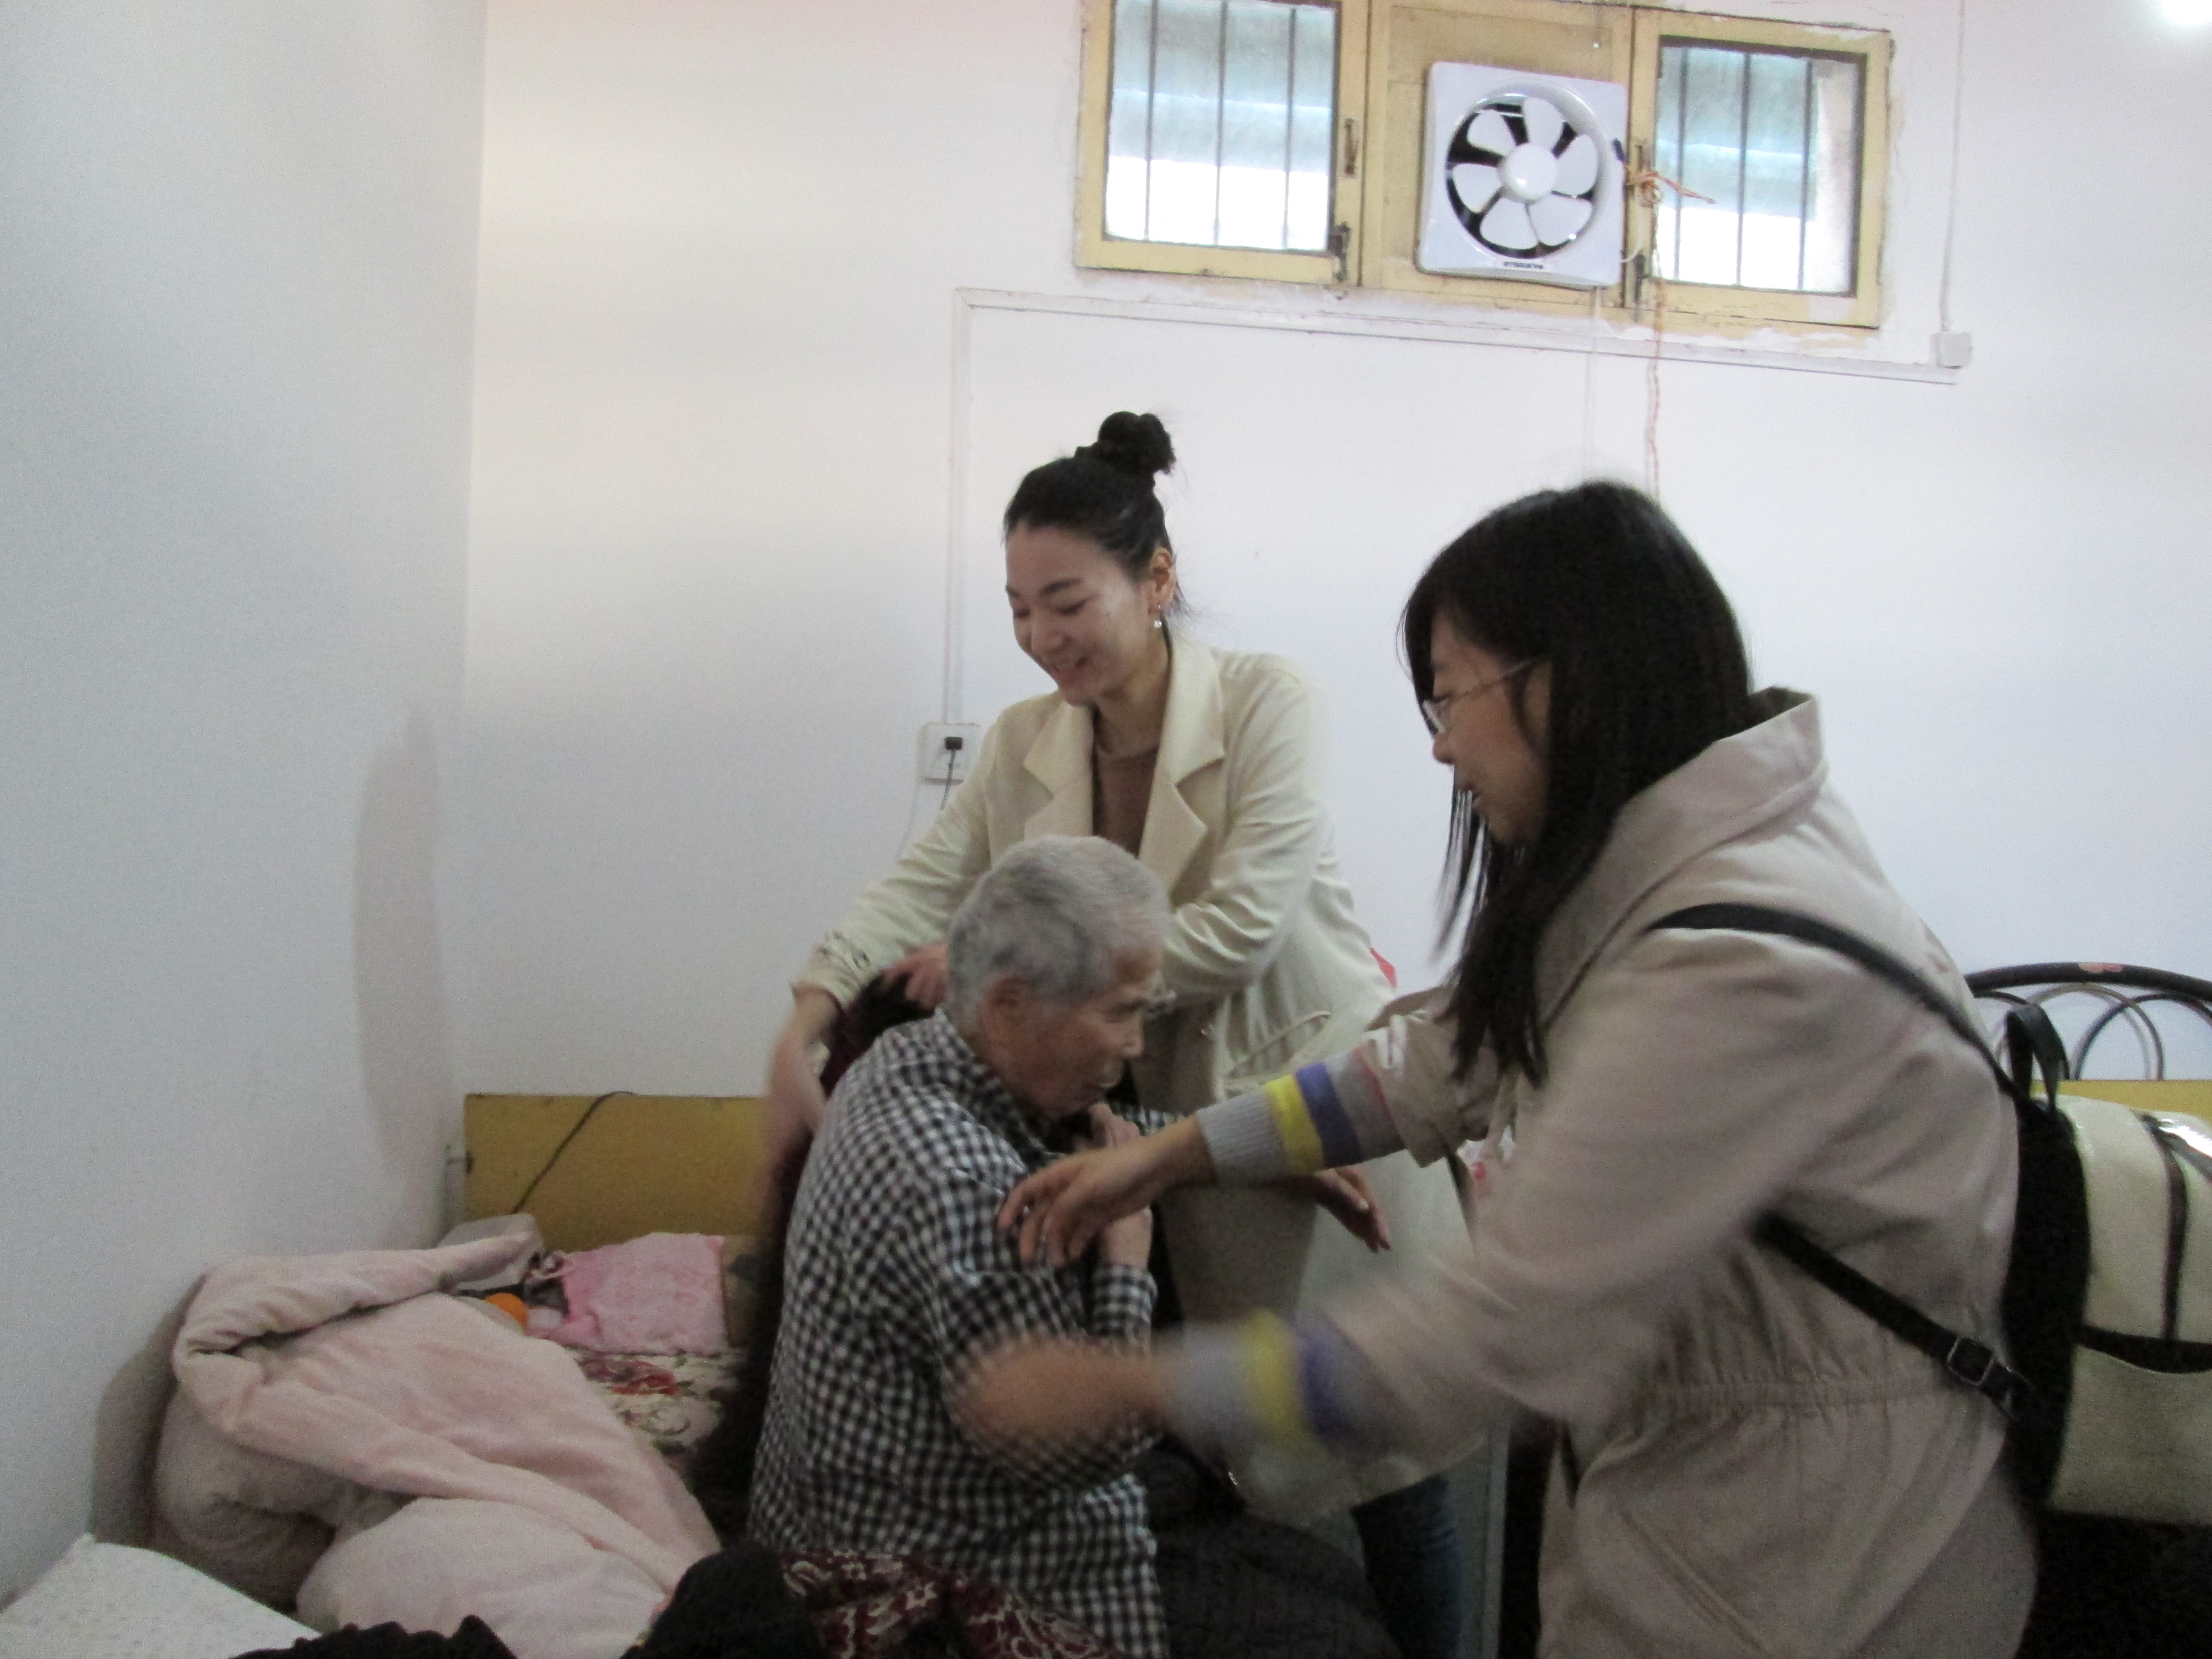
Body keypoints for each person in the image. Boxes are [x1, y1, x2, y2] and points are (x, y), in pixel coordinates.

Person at [968, 481, 2035, 1659]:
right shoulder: (1646, 899)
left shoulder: (1735, 970)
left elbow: (1494, 1336)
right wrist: (1173, 1156)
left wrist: (1134, 1387)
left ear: (1566, 683)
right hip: (1720, 1509)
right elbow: (1420, 1069)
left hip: (1818, 1556)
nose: (1438, 744)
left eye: (1449, 694)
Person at [765, 414, 1470, 1657]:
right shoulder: (1025, 743)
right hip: (1149, 1143)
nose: (1043, 638)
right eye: (1017, 609)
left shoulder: (1266, 703)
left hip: (1298, 1108)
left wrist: (1046, 972)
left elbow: (1244, 928)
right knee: (1212, 1452)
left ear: (1155, 581)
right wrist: (811, 1012)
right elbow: (925, 883)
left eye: (1067, 602)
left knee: (1384, 1466)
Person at [747, 836, 1175, 1658]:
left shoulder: (900, 1063)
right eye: (1122, 1013)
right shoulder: (964, 1183)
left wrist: (1246, 1155)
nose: (1137, 1048)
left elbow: (1107, 1140)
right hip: (953, 1598)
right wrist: (1128, 1262)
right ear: (1010, 1005)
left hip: (839, 1534)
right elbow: (1085, 1446)